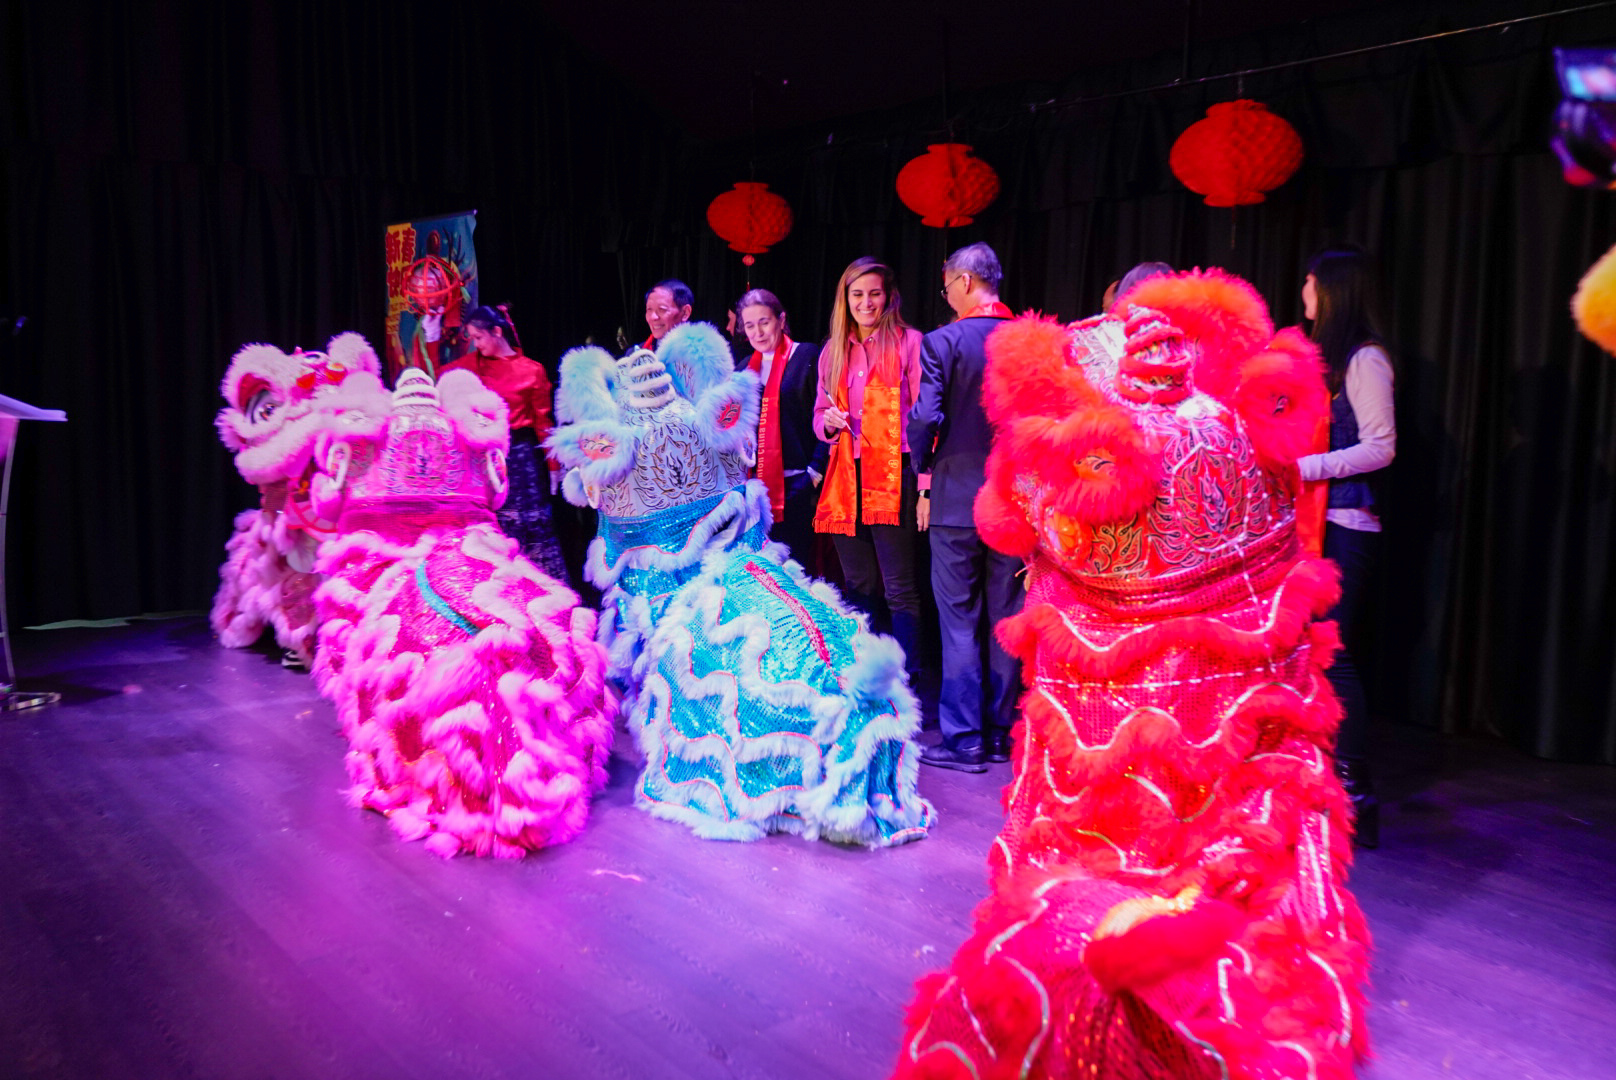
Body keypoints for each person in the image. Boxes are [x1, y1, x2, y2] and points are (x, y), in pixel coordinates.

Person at [908, 242, 1024, 774]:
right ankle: (1000, 735)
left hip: (956, 498)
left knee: (958, 620)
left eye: (948, 284)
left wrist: (923, 464)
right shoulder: (1029, 339)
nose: (945, 293)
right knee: (1006, 617)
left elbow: (925, 417)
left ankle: (965, 742)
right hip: (1014, 500)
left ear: (965, 281)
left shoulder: (942, 342)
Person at [1299, 245, 1395, 848]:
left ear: (1332, 289)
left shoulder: (1365, 358)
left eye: (1310, 282)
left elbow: (1381, 446)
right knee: (1307, 651)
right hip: (1310, 522)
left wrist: (1306, 467)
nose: (1303, 292)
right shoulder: (1322, 359)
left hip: (1344, 523)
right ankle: (1317, 781)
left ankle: (1357, 794)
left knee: (1333, 652)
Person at [812, 257, 928, 668]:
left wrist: (925, 484)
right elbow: (818, 416)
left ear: (888, 296)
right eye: (857, 294)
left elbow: (925, 417)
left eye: (874, 293)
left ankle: (908, 678)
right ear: (845, 300)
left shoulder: (909, 342)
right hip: (846, 475)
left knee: (899, 587)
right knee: (858, 585)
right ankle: (867, 674)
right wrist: (828, 422)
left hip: (895, 474)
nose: (866, 303)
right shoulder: (833, 351)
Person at [435, 305, 569, 583]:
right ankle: (502, 588)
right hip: (485, 457)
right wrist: (431, 337)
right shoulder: (472, 365)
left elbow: (543, 423)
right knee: (495, 525)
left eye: (479, 337)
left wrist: (554, 466)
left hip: (521, 457)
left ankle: (542, 588)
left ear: (497, 332)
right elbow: (438, 376)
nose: (476, 343)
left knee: (531, 526)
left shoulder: (531, 370)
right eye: (472, 338)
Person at [736, 289, 826, 568]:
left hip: (798, 485)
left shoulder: (806, 355)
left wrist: (814, 471)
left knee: (797, 569)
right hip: (755, 491)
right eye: (750, 325)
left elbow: (825, 413)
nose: (758, 332)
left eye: (764, 322)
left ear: (781, 320)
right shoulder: (743, 370)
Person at [642, 280, 694, 349]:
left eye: (662, 309)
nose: (653, 317)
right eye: (649, 309)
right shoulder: (637, 352)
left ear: (685, 313)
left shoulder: (699, 352)